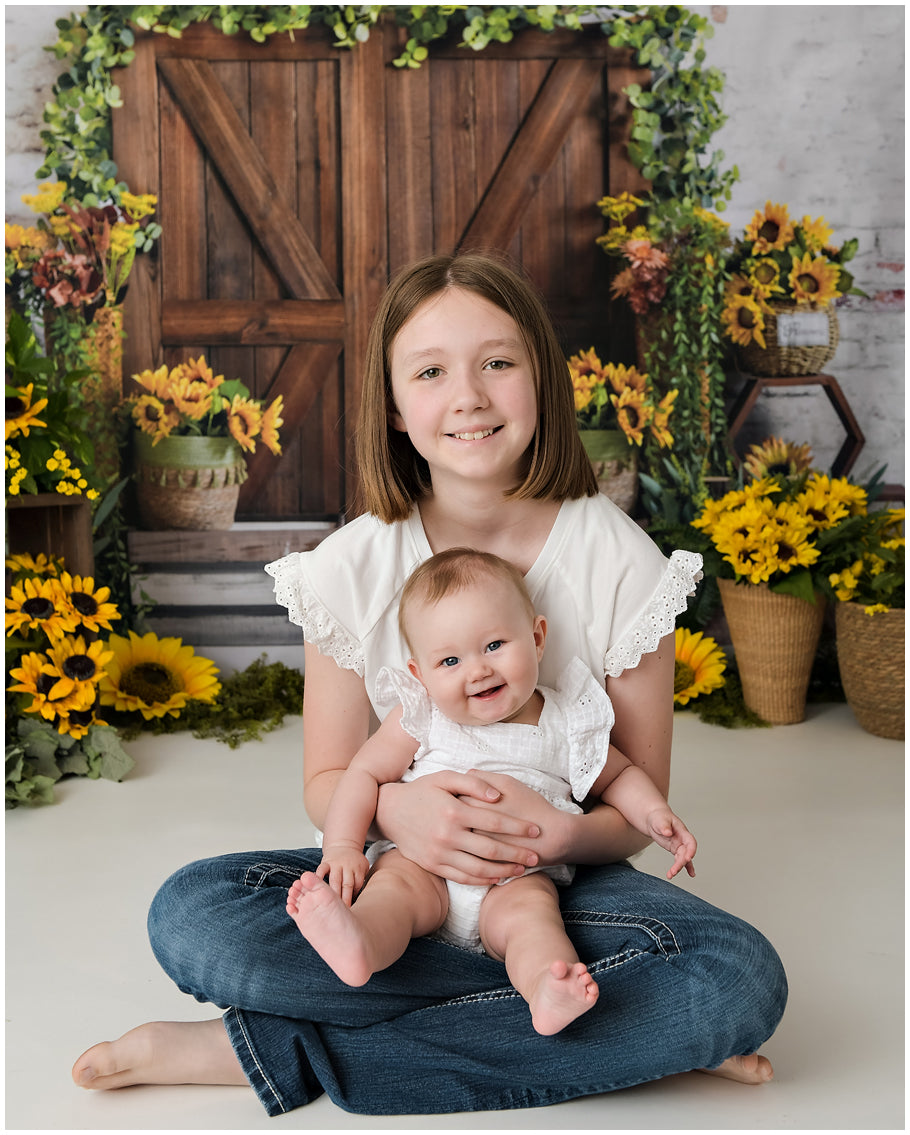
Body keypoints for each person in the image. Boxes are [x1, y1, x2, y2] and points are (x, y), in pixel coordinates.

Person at [72, 252, 787, 1116]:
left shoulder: (619, 562)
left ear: (542, 381)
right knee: (194, 911)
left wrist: (551, 841)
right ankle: (620, 1029)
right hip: (401, 879)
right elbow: (330, 784)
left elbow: (626, 812)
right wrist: (400, 812)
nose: (469, 397)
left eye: (498, 361)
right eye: (432, 371)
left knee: (736, 979)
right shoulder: (354, 564)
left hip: (552, 889)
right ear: (397, 407)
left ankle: (259, 1047)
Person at [287, 546, 697, 1037]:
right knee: (390, 894)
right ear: (420, 676)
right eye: (450, 660)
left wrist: (655, 814)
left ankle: (547, 988)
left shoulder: (568, 720)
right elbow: (363, 775)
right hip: (422, 868)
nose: (477, 670)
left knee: (534, 923)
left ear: (537, 637)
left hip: (518, 876)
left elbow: (619, 775)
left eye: (495, 645)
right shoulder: (422, 716)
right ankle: (359, 944)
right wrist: (343, 847)